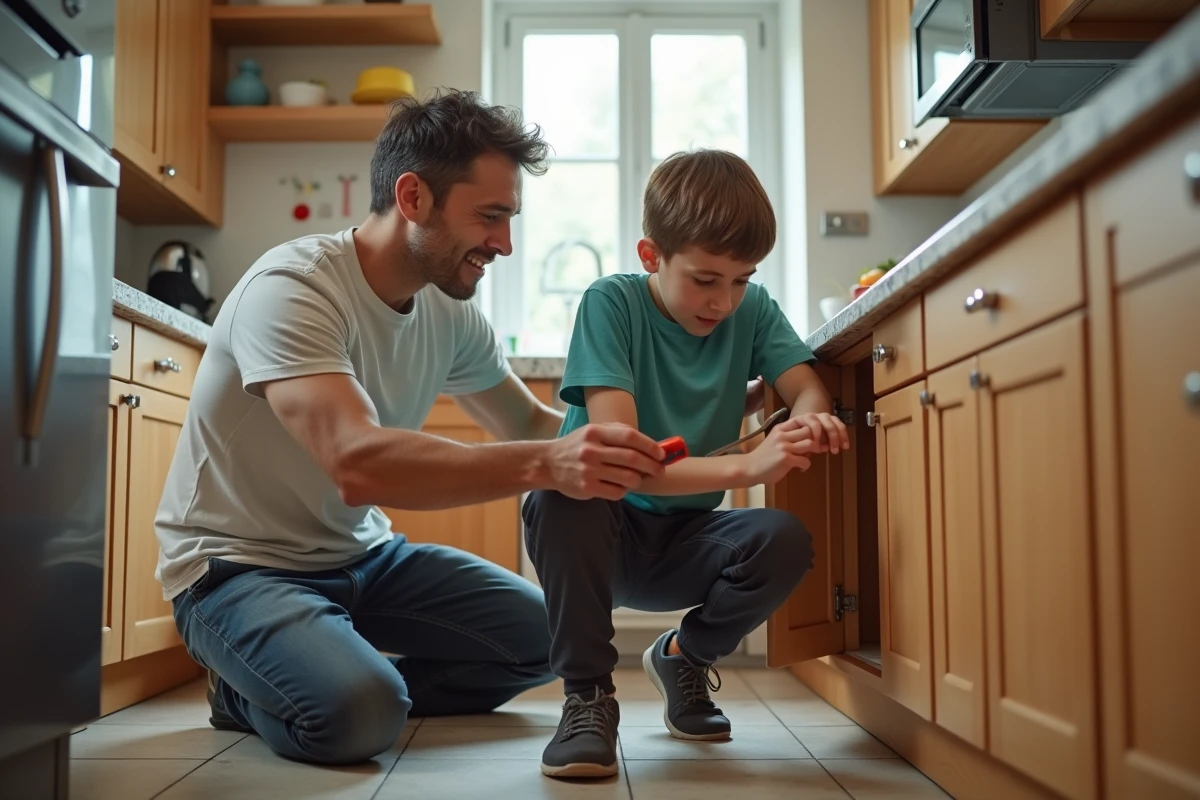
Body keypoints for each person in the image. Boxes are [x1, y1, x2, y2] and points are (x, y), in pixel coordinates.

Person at [151, 89, 673, 767]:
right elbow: (358, 464)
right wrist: (548, 464)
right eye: (490, 217)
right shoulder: (292, 289)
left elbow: (536, 422)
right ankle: (259, 691)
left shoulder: (448, 312)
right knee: (358, 717)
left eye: (509, 219)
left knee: (556, 638)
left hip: (367, 559)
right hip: (237, 570)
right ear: (413, 197)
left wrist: (658, 434)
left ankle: (339, 675)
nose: (505, 244)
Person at [522, 149, 852, 779]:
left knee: (784, 540)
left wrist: (810, 415)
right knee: (562, 495)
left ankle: (683, 657)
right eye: (705, 280)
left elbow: (809, 387)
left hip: (685, 540)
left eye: (741, 278)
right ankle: (588, 697)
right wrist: (749, 468)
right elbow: (621, 457)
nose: (724, 302)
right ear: (651, 257)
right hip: (603, 531)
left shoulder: (751, 310)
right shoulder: (609, 304)